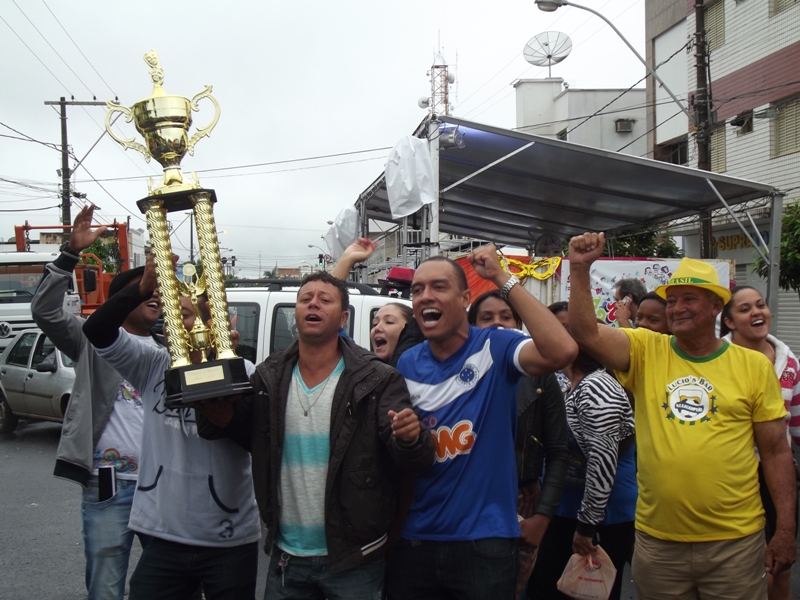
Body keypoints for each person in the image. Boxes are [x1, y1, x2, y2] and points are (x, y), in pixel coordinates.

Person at [567, 232, 797, 600]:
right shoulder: (646, 348)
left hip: (735, 542)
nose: (677, 308)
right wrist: (580, 270)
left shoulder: (753, 365)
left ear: (714, 307)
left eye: (689, 299)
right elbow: (585, 332)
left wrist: (785, 530)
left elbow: (775, 452)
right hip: (658, 543)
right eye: (672, 301)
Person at [197, 271, 435, 599]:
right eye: (306, 299)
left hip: (355, 558)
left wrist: (409, 436)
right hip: (286, 556)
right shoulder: (268, 377)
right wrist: (213, 403)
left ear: (344, 318)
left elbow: (413, 457)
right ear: (296, 314)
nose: (314, 304)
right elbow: (229, 428)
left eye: (325, 300)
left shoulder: (378, 380)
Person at [385, 247, 578, 600]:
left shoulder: (496, 345)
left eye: (439, 287)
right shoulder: (407, 363)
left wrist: (502, 278)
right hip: (416, 542)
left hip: (485, 544)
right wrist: (407, 438)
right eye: (417, 290)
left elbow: (562, 350)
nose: (426, 295)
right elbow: (399, 456)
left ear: (465, 298)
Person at [82, 255, 261, 600]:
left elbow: (263, 442)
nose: (185, 327)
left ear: (220, 324)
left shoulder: (248, 372)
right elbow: (96, 331)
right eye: (177, 318)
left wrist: (228, 421)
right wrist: (142, 288)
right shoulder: (152, 363)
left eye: (193, 316)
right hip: (163, 535)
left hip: (228, 535)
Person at [31, 204, 160, 600]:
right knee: (105, 585)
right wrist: (70, 253)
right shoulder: (92, 342)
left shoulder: (170, 352)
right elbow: (46, 312)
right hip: (109, 485)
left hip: (163, 488)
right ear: (123, 298)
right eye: (145, 290)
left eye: (158, 290)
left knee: (170, 585)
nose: (155, 296)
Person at [467, 290, 569, 597]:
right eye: (487, 318)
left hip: (522, 503)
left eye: (506, 316)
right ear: (471, 326)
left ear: (519, 325)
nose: (497, 323)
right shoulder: (458, 374)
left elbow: (558, 451)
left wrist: (542, 517)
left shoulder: (541, 376)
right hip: (465, 501)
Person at [528, 348, 636, 600]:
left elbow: (602, 462)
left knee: (588, 592)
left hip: (600, 519)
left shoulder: (598, 387)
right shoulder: (570, 383)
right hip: (566, 509)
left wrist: (587, 526)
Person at [721, 285, 800, 600]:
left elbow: (795, 424)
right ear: (729, 322)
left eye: (760, 305)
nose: (756, 313)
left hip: (777, 477)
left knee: (780, 565)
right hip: (732, 478)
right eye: (744, 309)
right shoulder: (718, 360)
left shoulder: (789, 363)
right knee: (737, 568)